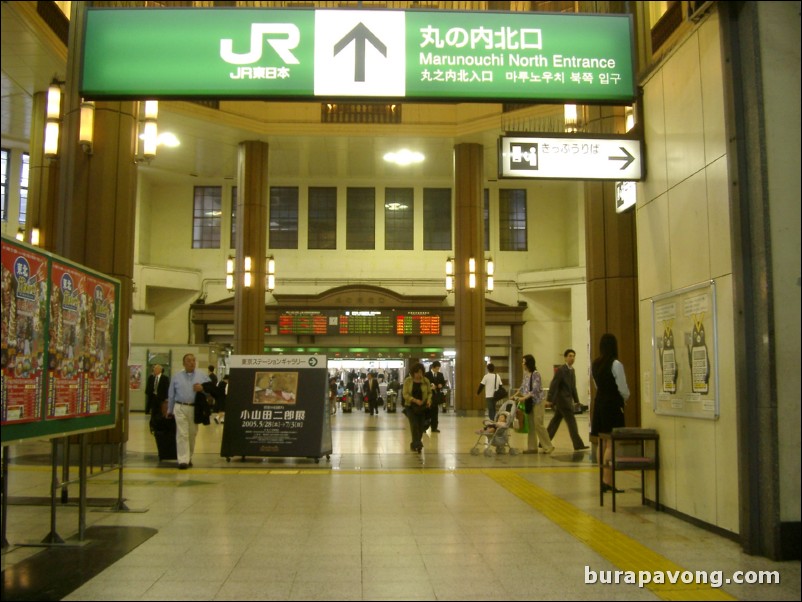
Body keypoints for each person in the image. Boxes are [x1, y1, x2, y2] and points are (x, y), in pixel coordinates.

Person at [590, 334, 630, 492]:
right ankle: (608, 481)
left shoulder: (596, 364)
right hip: (612, 405)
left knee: (601, 441)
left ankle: (603, 479)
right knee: (612, 442)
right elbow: (622, 388)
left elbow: (596, 384)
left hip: (599, 403)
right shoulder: (615, 364)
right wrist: (625, 398)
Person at [167, 353, 210, 469]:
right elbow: (171, 394)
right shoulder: (176, 377)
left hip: (194, 408)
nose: (192, 362)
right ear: (183, 363)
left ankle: (188, 456)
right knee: (182, 434)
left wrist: (203, 389)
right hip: (179, 406)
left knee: (192, 433)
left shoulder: (202, 376)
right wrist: (169, 410)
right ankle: (182, 460)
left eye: (193, 360)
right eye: (189, 361)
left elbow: (211, 390)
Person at [546, 349, 589, 451]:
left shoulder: (572, 370)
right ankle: (578, 444)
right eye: (570, 356)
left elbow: (573, 387)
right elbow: (554, 384)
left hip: (567, 401)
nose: (572, 358)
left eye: (573, 356)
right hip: (562, 401)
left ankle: (544, 442)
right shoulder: (561, 370)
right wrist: (549, 399)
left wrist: (577, 400)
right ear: (565, 357)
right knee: (572, 422)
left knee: (555, 421)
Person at [514, 354, 555, 454]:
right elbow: (523, 387)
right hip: (530, 402)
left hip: (538, 402)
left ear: (528, 363)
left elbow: (535, 390)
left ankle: (548, 446)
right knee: (531, 425)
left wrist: (523, 398)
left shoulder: (536, 374)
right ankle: (532, 447)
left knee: (538, 424)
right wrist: (515, 395)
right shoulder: (526, 374)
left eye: (524, 362)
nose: (522, 364)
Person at [402, 363, 432, 453]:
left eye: (421, 372)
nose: (419, 375)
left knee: (421, 426)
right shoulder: (408, 381)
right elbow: (405, 394)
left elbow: (430, 392)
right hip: (410, 406)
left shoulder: (426, 381)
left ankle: (414, 443)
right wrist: (414, 400)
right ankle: (418, 445)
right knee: (414, 425)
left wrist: (429, 400)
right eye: (417, 373)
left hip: (422, 406)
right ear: (413, 373)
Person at [425, 361, 446, 433]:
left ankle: (434, 427)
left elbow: (443, 383)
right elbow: (424, 384)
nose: (438, 370)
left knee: (435, 412)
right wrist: (430, 387)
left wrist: (441, 385)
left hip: (436, 396)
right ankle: (425, 427)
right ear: (433, 367)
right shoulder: (427, 374)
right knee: (427, 412)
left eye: (439, 368)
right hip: (428, 396)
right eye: (437, 368)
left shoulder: (440, 375)